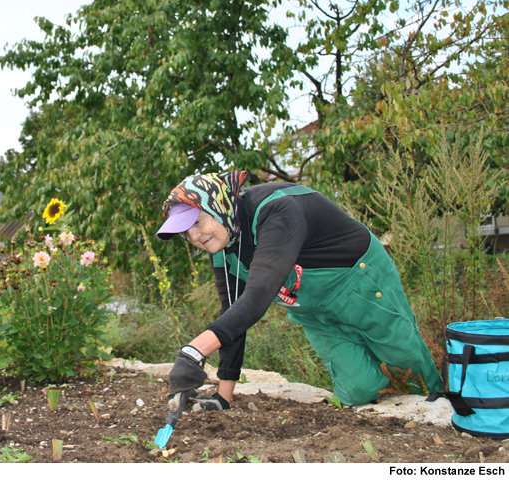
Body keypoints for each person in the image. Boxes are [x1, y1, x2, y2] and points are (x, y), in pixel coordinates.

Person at [156, 171, 442, 411]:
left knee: (409, 369)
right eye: (185, 232)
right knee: (358, 390)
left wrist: (194, 352)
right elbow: (234, 318)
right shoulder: (222, 245)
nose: (194, 237)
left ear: (217, 206)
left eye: (197, 222)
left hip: (359, 284)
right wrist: (223, 397)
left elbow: (257, 297)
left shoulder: (277, 210)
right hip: (313, 310)